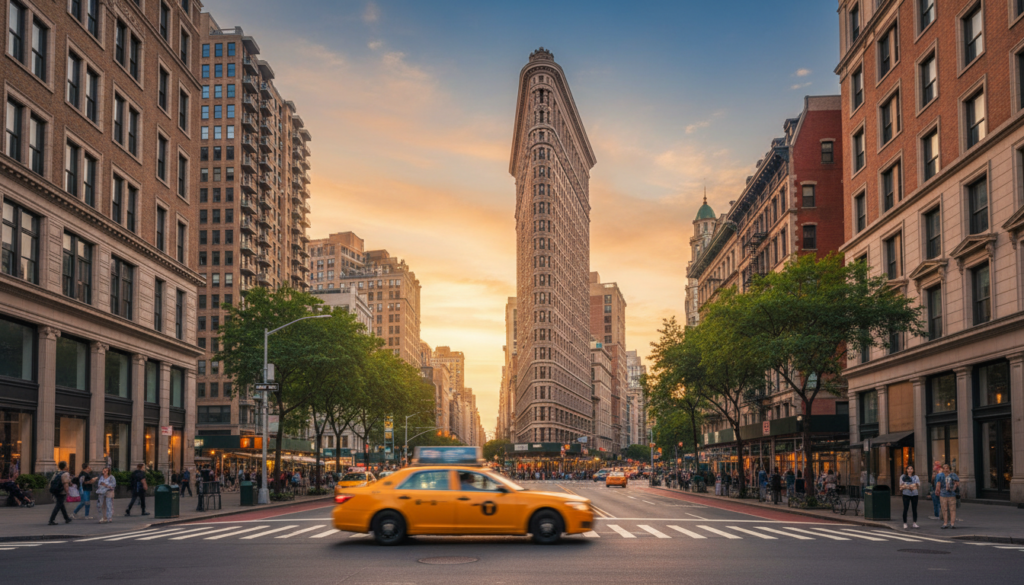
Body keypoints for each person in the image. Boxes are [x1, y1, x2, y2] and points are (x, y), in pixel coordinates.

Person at [47, 461, 72, 525]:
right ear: (65, 467)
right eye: (67, 465)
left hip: (56, 490)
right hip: (61, 491)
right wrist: (67, 491)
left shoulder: (56, 473)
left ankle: (67, 518)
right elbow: (65, 484)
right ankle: (51, 520)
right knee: (58, 505)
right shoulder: (65, 474)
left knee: (61, 505)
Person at [935, 463, 959, 529]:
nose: (946, 469)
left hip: (951, 494)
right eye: (944, 468)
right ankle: (945, 523)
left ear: (949, 468)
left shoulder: (953, 475)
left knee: (952, 509)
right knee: (944, 509)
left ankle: (952, 523)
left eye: (947, 468)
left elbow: (957, 483)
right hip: (943, 494)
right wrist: (937, 490)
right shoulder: (940, 475)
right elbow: (938, 484)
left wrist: (954, 486)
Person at [899, 465, 920, 529]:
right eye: (908, 469)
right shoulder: (903, 477)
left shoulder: (916, 477)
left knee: (914, 509)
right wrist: (909, 486)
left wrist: (907, 486)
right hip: (906, 494)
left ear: (913, 470)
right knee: (905, 508)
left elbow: (918, 485)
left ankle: (914, 522)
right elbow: (901, 487)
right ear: (906, 470)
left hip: (914, 494)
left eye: (911, 469)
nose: (910, 470)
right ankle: (905, 523)